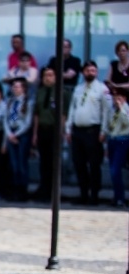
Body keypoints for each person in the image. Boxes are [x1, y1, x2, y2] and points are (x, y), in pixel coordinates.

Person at [66, 60, 109, 205]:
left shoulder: (102, 89)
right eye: (88, 70)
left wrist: (104, 131)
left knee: (94, 164)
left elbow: (106, 112)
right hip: (78, 131)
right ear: (83, 72)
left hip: (93, 131)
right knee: (79, 164)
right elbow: (72, 109)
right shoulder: (78, 89)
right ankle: (83, 194)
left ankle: (94, 195)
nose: (91, 73)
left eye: (93, 71)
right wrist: (68, 128)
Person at [32, 67, 70, 202]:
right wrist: (35, 133)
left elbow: (64, 113)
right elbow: (37, 113)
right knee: (44, 161)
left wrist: (61, 130)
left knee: (54, 162)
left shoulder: (61, 93)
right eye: (45, 75)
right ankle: (44, 188)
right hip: (42, 129)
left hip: (54, 129)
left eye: (51, 75)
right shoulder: (40, 92)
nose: (48, 78)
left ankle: (54, 191)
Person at [4, 78, 34, 202]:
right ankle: (14, 190)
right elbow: (5, 119)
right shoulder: (10, 102)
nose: (15, 89)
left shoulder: (28, 103)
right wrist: (9, 134)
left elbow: (27, 122)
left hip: (22, 134)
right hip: (11, 132)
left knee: (22, 163)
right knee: (14, 164)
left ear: (23, 89)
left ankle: (23, 192)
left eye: (18, 87)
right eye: (14, 87)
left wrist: (16, 134)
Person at [103, 87, 129, 207]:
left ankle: (121, 198)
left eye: (119, 97)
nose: (116, 100)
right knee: (113, 171)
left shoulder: (126, 109)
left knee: (115, 170)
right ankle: (117, 196)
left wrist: (122, 108)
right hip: (112, 140)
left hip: (123, 141)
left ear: (124, 98)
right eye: (114, 97)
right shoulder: (111, 109)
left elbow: (126, 122)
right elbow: (109, 124)